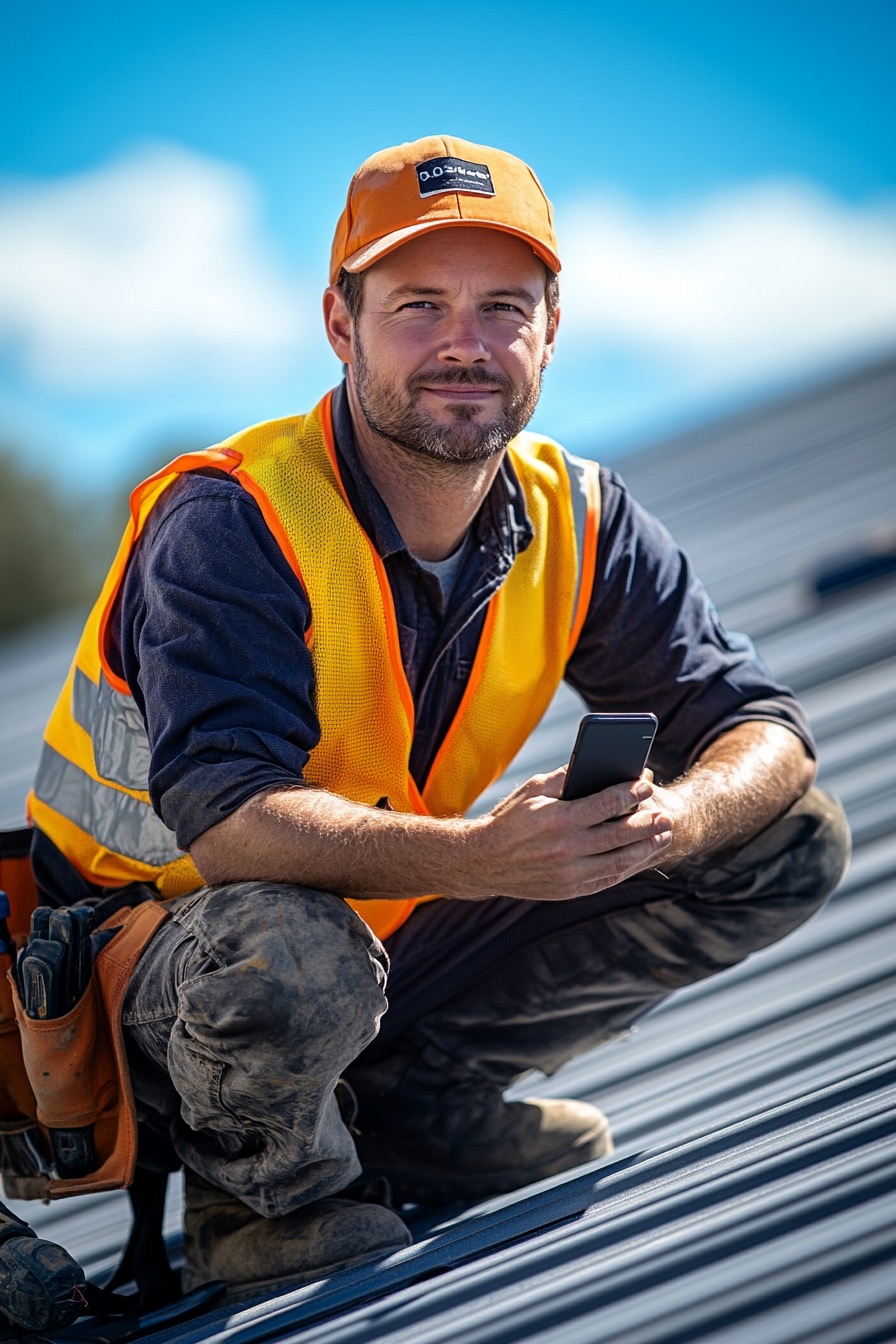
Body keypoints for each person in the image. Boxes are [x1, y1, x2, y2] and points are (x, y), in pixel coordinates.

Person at [23, 134, 850, 1294]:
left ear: (550, 332)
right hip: (149, 1000)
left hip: (382, 946)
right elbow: (228, 823)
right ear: (338, 322)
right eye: (418, 305)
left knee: (778, 833)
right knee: (287, 945)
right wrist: (480, 856)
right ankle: (255, 1192)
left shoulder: (580, 519)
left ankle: (413, 1112)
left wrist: (677, 817)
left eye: (502, 308)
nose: (464, 344)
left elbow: (757, 721)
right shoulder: (234, 519)